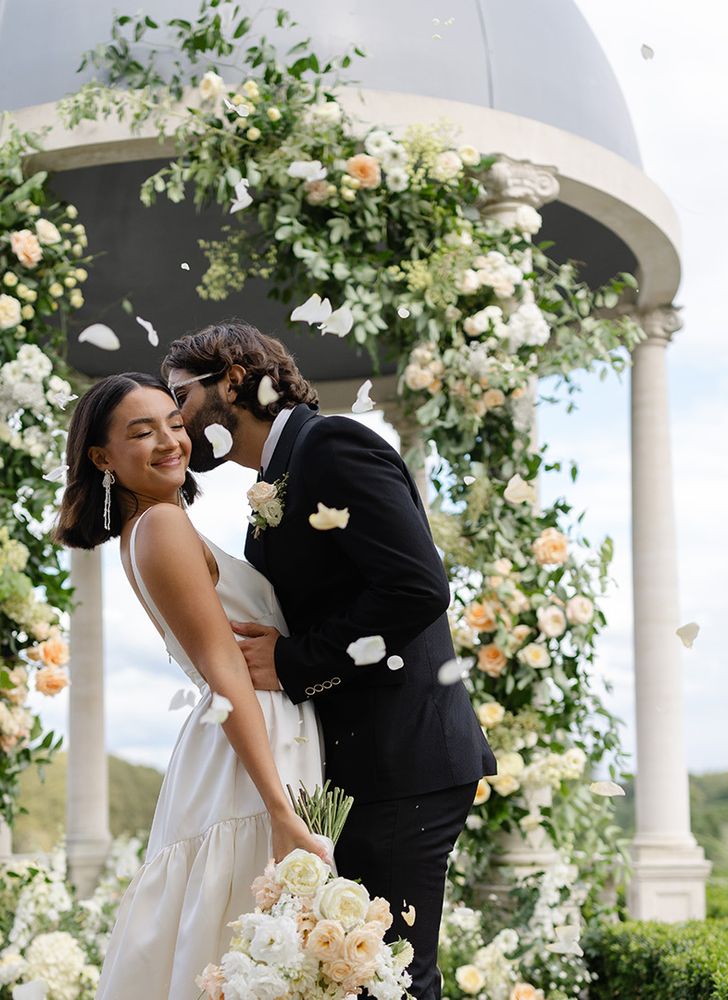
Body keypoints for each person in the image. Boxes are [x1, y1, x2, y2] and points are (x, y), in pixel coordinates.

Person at [163, 320, 498, 1000]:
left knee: (393, 980)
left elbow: (419, 587)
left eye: (180, 398)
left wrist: (294, 662)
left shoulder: (333, 445)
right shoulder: (277, 475)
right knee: (354, 975)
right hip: (354, 764)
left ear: (233, 379)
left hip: (402, 760)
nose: (174, 420)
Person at [53, 372, 326, 1000]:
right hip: (251, 754)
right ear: (103, 458)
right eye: (142, 432)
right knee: (248, 948)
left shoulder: (154, 527)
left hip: (255, 739)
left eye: (174, 424)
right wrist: (281, 810)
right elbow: (224, 669)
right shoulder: (160, 528)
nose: (170, 440)